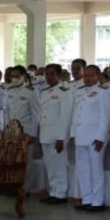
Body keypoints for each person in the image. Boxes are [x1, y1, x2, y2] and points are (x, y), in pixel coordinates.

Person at [70, 65, 110, 211]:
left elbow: (106, 116)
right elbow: (76, 114)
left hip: (95, 137)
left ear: (97, 76)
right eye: (85, 76)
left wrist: (101, 137)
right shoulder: (80, 91)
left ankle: (98, 201)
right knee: (83, 170)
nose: (87, 79)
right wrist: (73, 134)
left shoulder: (104, 91)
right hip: (80, 136)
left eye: (90, 76)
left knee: (96, 170)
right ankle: (87, 199)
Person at [37, 64, 74, 204]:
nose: (48, 77)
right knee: (50, 166)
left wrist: (61, 138)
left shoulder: (65, 91)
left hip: (57, 135)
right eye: (46, 74)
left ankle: (60, 194)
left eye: (51, 74)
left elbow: (65, 116)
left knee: (59, 165)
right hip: (46, 134)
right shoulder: (44, 92)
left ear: (59, 75)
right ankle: (53, 191)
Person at [5, 66, 39, 138]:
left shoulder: (31, 92)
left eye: (16, 76)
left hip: (26, 130)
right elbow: (6, 112)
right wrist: (6, 128)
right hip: (11, 130)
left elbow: (36, 114)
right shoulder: (8, 91)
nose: (14, 78)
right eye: (12, 76)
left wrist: (33, 134)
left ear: (24, 76)